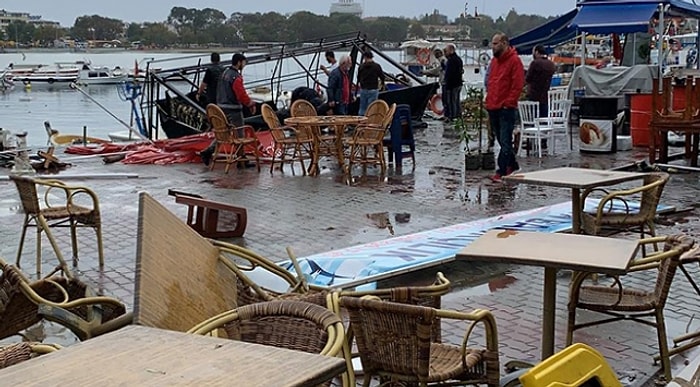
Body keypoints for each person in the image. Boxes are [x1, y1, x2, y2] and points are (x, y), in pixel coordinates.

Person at [200, 53, 256, 165]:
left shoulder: (224, 73)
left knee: (223, 133)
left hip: (221, 108)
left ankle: (208, 151)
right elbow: (240, 94)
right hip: (233, 109)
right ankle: (241, 159)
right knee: (240, 133)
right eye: (244, 62)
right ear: (239, 62)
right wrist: (250, 103)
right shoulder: (235, 77)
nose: (244, 65)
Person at [485, 33, 524, 182]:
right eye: (492, 44)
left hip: (505, 107)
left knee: (505, 140)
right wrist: (488, 99)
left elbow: (517, 84)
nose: (492, 47)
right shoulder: (494, 62)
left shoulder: (515, 61)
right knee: (502, 140)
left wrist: (509, 102)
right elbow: (491, 81)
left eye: (495, 44)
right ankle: (512, 165)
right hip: (493, 105)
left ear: (504, 43)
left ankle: (501, 171)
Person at [525, 44, 556, 149]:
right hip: (545, 96)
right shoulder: (551, 64)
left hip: (533, 95)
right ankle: (543, 141)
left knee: (531, 120)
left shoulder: (535, 63)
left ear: (537, 52)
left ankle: (531, 141)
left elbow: (528, 78)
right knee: (543, 119)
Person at [421, 48, 448, 118]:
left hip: (446, 82)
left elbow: (437, 70)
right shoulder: (444, 60)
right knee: (447, 99)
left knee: (446, 100)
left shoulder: (443, 60)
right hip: (446, 82)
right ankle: (447, 115)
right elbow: (440, 72)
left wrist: (425, 72)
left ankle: (447, 115)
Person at [357, 50, 385, 115]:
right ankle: (370, 122)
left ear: (365, 57)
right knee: (372, 108)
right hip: (373, 89)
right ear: (372, 57)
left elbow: (358, 78)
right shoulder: (376, 66)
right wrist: (382, 84)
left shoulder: (361, 67)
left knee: (362, 108)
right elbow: (382, 77)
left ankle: (361, 121)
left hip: (363, 89)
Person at [443, 44, 464, 123]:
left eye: (447, 51)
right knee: (456, 100)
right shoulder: (458, 59)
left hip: (453, 84)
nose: (446, 52)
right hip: (458, 83)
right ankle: (458, 115)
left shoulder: (451, 60)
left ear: (451, 50)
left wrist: (447, 84)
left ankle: (453, 117)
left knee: (452, 101)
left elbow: (450, 73)